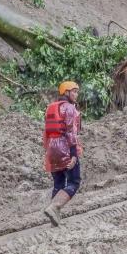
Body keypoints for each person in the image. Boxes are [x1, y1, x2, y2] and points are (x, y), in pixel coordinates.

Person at [42, 81, 82, 227]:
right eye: (74, 91)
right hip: (65, 147)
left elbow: (46, 132)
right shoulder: (70, 108)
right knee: (74, 182)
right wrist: (73, 154)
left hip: (52, 148)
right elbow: (71, 133)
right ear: (66, 92)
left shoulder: (50, 108)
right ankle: (55, 207)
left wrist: (47, 152)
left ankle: (54, 217)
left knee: (58, 183)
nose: (76, 94)